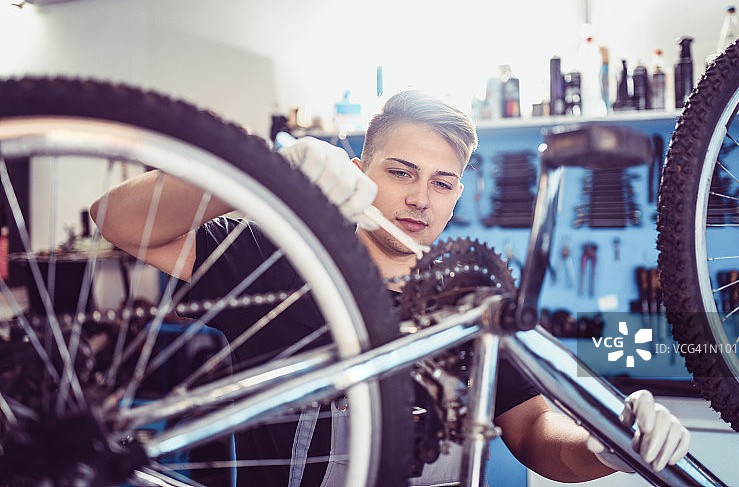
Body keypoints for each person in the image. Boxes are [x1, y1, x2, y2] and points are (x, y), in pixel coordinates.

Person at [91, 90, 690, 486]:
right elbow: (115, 219)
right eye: (400, 172)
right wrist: (263, 171)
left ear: (458, 196)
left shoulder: (474, 298)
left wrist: (604, 448)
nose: (418, 198)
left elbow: (534, 432)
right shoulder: (277, 253)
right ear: (359, 173)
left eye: (441, 183)